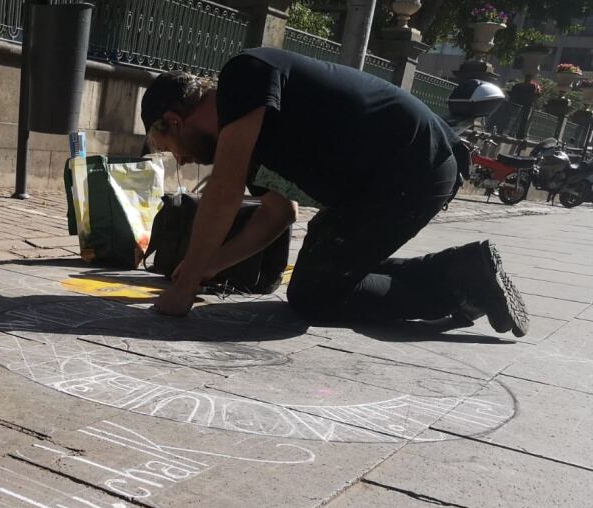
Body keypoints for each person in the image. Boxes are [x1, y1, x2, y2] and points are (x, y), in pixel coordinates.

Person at [142, 47, 529, 337]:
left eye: (170, 149)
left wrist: (187, 282)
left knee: (316, 296)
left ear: (173, 122)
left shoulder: (243, 77)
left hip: (412, 168)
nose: (182, 157)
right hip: (375, 185)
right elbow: (277, 214)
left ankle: (463, 283)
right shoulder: (252, 128)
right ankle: (467, 269)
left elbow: (223, 192)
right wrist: (211, 266)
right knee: (320, 277)